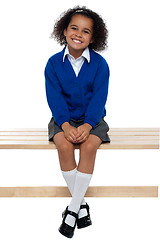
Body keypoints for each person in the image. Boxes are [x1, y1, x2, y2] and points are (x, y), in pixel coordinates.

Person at [45, 6, 110, 238]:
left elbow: (99, 97)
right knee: (63, 146)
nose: (78, 34)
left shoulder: (100, 65)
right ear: (64, 31)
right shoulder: (53, 64)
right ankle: (80, 204)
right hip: (63, 119)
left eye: (85, 31)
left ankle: (72, 210)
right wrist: (65, 125)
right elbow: (54, 97)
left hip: (92, 120)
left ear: (93, 38)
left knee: (89, 146)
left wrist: (87, 125)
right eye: (74, 28)